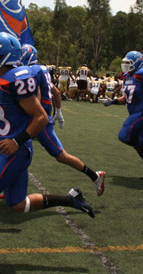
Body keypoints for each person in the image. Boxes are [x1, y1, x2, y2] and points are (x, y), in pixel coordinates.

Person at [0, 32, 95, 265]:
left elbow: (40, 118)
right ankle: (71, 199)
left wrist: (16, 141)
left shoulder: (15, 79)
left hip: (17, 152)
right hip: (9, 147)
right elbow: (12, 117)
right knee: (17, 204)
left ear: (4, 56)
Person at [21, 44, 106, 195]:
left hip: (38, 121)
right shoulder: (43, 70)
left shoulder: (32, 71)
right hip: (39, 117)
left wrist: (33, 113)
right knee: (18, 151)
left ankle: (95, 175)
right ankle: (12, 186)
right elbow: (56, 92)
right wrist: (59, 111)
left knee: (60, 155)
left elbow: (38, 95)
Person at [103, 50, 143, 180]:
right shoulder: (128, 76)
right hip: (135, 112)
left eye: (129, 63)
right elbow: (126, 98)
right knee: (138, 144)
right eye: (125, 62)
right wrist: (113, 101)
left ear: (138, 63)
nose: (126, 65)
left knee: (124, 135)